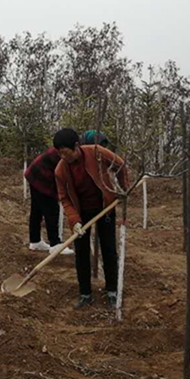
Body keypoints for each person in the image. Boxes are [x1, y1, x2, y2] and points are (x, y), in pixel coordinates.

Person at [53, 128, 132, 309]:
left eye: (65, 153)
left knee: (109, 249)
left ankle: (112, 291)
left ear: (76, 146)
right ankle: (85, 294)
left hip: (105, 207)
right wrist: (75, 220)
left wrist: (123, 189)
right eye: (59, 154)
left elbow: (120, 165)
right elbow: (64, 198)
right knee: (81, 252)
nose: (62, 157)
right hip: (81, 212)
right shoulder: (60, 170)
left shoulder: (96, 153)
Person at [24, 146, 73, 255]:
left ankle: (35, 241)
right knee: (51, 210)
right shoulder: (70, 151)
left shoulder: (70, 146)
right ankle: (55, 244)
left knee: (37, 209)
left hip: (34, 173)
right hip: (41, 176)